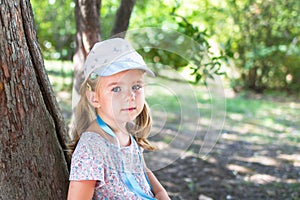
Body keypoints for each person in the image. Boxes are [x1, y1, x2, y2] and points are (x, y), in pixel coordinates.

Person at [67, 38, 170, 200]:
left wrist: (162, 195)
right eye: (116, 89)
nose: (130, 96)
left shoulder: (128, 136)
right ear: (94, 98)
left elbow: (152, 186)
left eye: (136, 86)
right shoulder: (91, 148)